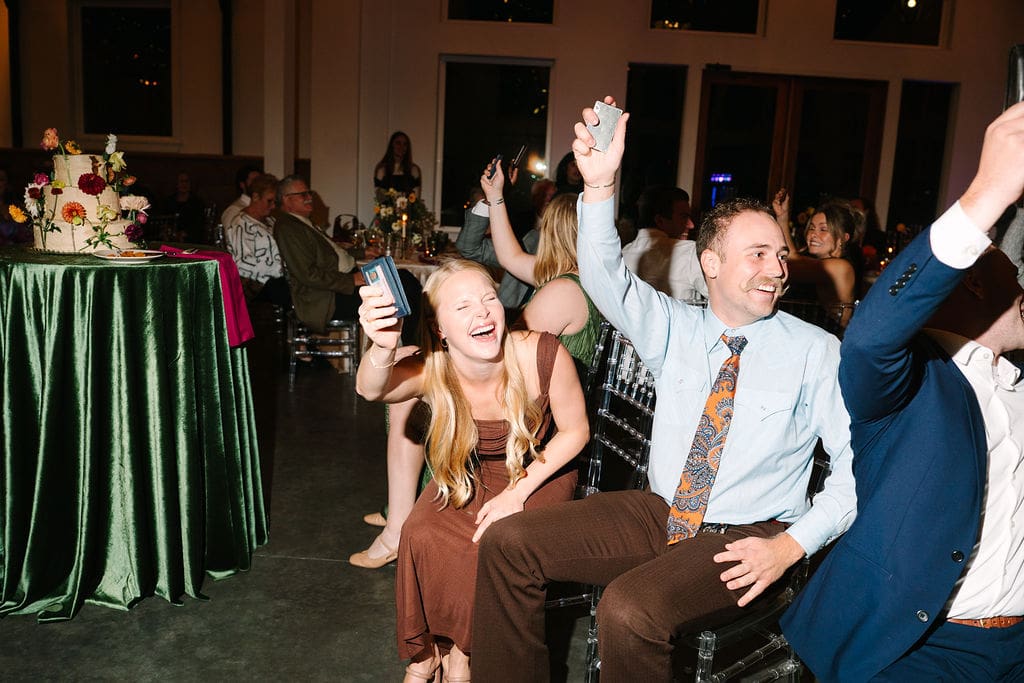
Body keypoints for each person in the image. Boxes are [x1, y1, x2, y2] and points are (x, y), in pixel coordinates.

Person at [471, 97, 856, 682]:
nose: (777, 269)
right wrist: (599, 188)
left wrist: (792, 546)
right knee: (509, 542)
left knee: (630, 610)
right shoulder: (675, 327)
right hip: (663, 512)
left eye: (780, 256)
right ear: (710, 263)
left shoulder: (815, 350)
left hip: (750, 534)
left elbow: (858, 465)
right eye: (758, 254)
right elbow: (604, 278)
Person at [781, 101, 1024, 682]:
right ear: (971, 286)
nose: (1023, 287)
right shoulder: (910, 383)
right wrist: (986, 195)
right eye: (1012, 276)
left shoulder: (1017, 383)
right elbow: (868, 339)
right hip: (924, 647)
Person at [356, 259, 589, 682]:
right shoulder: (434, 367)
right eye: (462, 307)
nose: (482, 312)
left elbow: (575, 433)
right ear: (440, 328)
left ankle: (461, 657)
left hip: (540, 471)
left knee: (487, 542)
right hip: (473, 471)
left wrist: (516, 494)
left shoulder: (541, 351)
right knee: (419, 531)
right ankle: (426, 655)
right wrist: (383, 347)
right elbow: (370, 389)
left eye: (488, 300)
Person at [478, 158, 605, 378]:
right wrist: (495, 196)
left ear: (551, 231)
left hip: (544, 403)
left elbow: (509, 351)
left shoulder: (564, 290)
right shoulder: (571, 274)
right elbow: (510, 256)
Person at [456, 169, 541, 320]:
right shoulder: (531, 245)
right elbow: (469, 247)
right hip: (507, 324)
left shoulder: (582, 270)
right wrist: (493, 196)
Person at [773, 190, 858, 327]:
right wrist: (782, 217)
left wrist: (783, 218)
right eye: (811, 228)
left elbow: (791, 262)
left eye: (823, 230)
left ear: (843, 238)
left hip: (830, 339)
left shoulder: (841, 267)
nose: (813, 235)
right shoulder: (811, 259)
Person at [621, 185, 708, 302]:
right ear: (660, 220)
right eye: (684, 217)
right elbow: (720, 298)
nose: (691, 225)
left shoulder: (623, 253)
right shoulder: (689, 252)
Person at [225, 173, 290, 309]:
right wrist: (279, 268)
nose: (273, 206)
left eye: (275, 202)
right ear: (255, 197)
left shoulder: (271, 221)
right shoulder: (241, 223)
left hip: (280, 280)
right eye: (269, 201)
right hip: (260, 286)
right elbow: (242, 264)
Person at [161, 171, 207, 243]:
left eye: (186, 181)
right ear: (176, 184)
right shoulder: (169, 201)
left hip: (191, 238)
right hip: (170, 237)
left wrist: (185, 233)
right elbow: (164, 220)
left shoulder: (197, 202)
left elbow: (199, 224)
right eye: (181, 181)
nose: (184, 184)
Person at [374, 131, 422, 196]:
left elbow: (416, 199)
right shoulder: (382, 170)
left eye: (405, 144)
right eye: (398, 143)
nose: (401, 147)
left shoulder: (413, 170)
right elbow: (379, 198)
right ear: (392, 145)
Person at [221, 163, 263, 230]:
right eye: (253, 181)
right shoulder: (234, 210)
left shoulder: (265, 208)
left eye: (259, 181)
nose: (257, 185)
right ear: (242, 185)